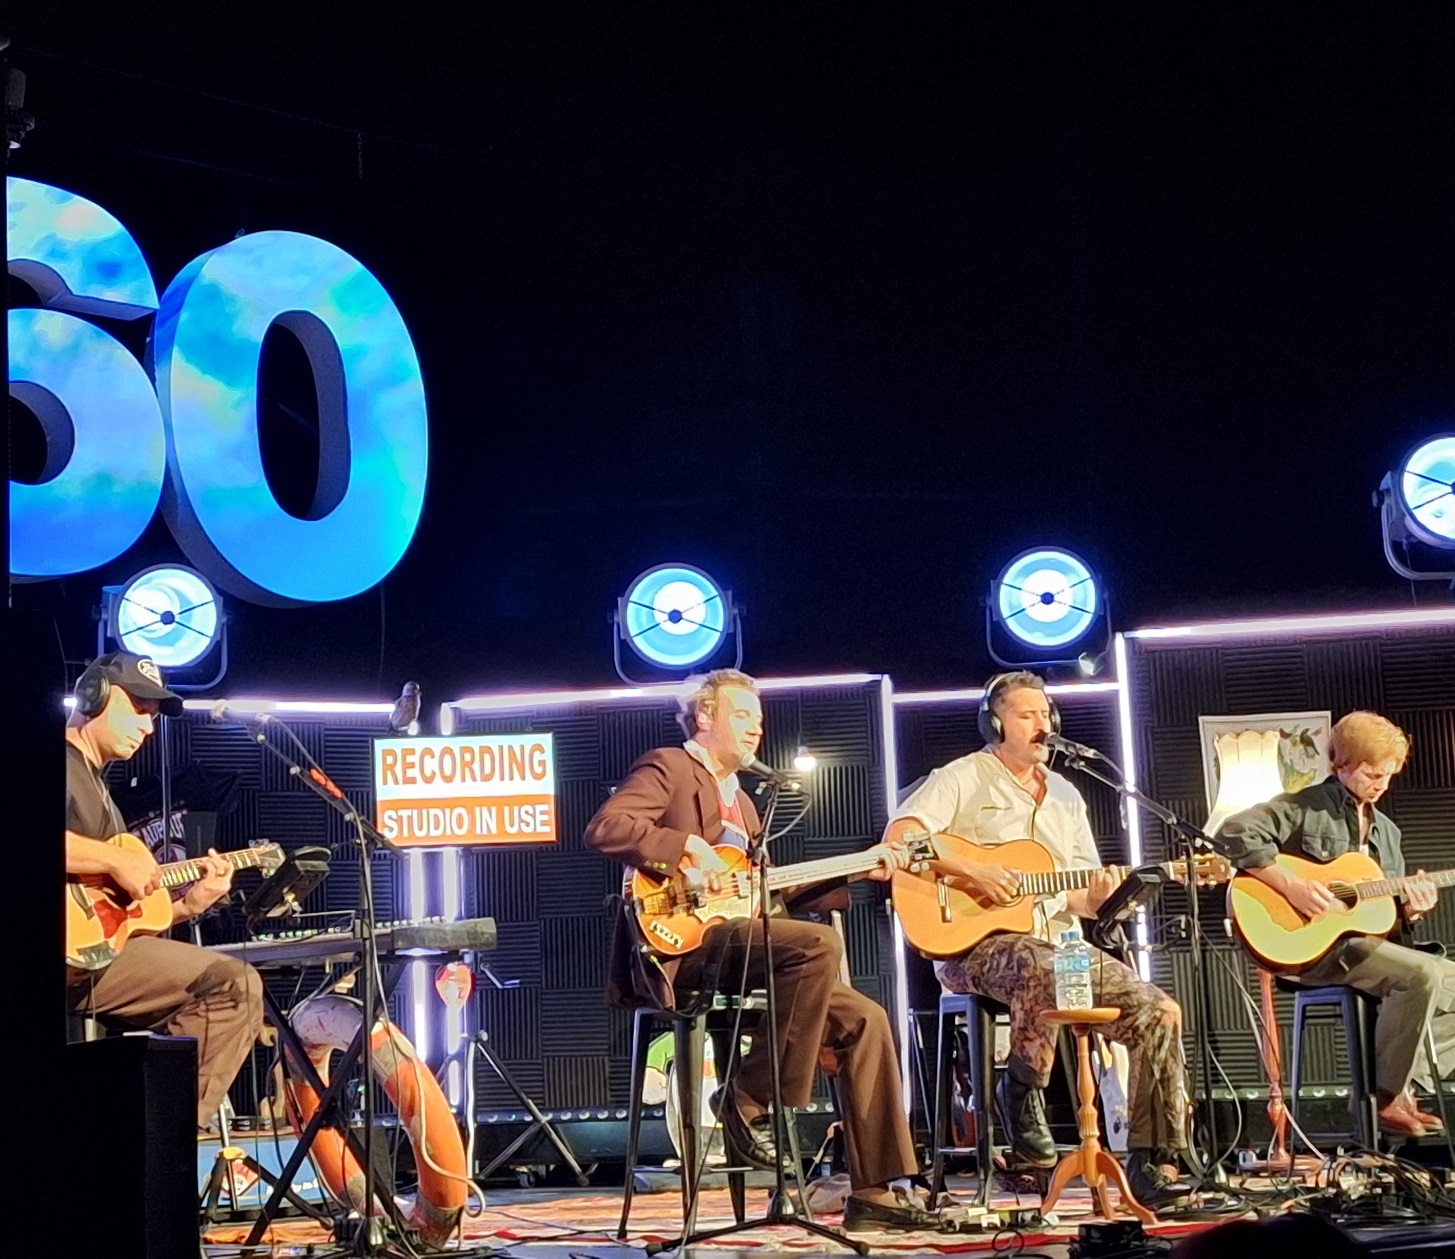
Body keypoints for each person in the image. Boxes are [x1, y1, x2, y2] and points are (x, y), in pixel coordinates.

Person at [585, 668, 952, 1233]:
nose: (757, 729)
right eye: (742, 716)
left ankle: (876, 1189)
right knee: (816, 944)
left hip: (743, 949)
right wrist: (684, 846)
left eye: (759, 719)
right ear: (705, 717)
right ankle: (748, 1099)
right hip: (686, 950)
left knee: (865, 1018)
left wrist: (862, 868)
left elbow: (766, 890)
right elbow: (607, 828)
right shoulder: (671, 766)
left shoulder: (747, 806)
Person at [882, 671, 1192, 1207]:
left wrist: (1105, 893)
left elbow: (1082, 899)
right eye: (1027, 715)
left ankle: (1153, 1163)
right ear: (996, 721)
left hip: (1056, 946)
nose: (1041, 724)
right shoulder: (960, 776)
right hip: (968, 947)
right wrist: (975, 873)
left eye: (1046, 714)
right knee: (1038, 962)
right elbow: (902, 837)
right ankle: (1020, 1090)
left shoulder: (1067, 796)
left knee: (1160, 1011)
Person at [1215, 710, 1454, 1138]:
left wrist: (1413, 908)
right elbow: (1233, 834)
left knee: (1448, 978)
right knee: (1421, 973)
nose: (1380, 783)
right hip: (1311, 950)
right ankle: (1385, 1096)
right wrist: (1291, 887)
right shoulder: (1304, 807)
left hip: (1364, 947)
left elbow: (1387, 913)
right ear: (1340, 763)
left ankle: (1406, 1084)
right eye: (1370, 773)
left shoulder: (1388, 832)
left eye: (1388, 775)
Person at [65, 651, 265, 1129]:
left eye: (154, 717)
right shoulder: (49, 763)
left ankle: (147, 1130)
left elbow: (113, 915)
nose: (149, 727)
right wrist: (115, 858)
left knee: (232, 987)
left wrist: (186, 906)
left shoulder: (99, 788)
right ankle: (158, 1139)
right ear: (94, 695)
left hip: (95, 960)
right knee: (234, 984)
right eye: (138, 708)